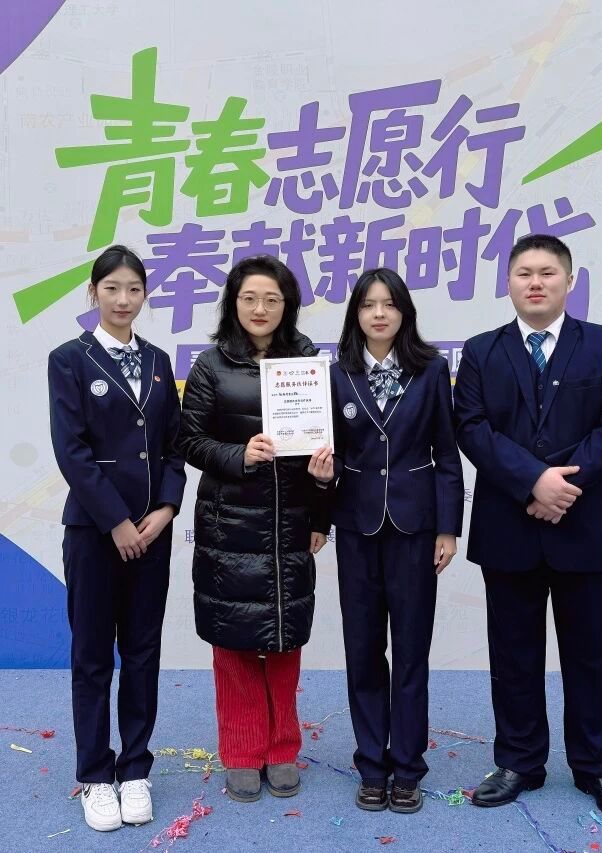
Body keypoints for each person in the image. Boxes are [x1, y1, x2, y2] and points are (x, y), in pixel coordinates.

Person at [454, 234, 602, 822]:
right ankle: (518, 761)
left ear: (569, 281)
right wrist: (533, 481)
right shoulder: (481, 351)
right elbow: (471, 427)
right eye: (524, 273)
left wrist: (561, 487)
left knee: (591, 655)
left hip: (586, 525)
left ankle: (598, 766)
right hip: (508, 526)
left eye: (547, 273)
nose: (535, 283)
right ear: (508, 282)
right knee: (513, 654)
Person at [176, 255, 332, 804]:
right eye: (249, 298)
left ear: (287, 305)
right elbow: (188, 440)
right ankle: (241, 752)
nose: (260, 308)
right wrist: (238, 454)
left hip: (291, 520)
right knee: (234, 640)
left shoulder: (309, 363)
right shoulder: (210, 364)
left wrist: (321, 509)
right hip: (229, 523)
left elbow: (327, 448)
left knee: (285, 638)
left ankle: (282, 748)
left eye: (271, 299)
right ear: (233, 303)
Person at [48, 245, 186, 832]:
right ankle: (96, 775)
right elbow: (71, 451)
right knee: (91, 656)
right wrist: (116, 521)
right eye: (112, 289)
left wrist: (166, 509)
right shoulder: (69, 360)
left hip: (153, 533)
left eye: (133, 289)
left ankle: (134, 770)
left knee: (142, 651)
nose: (123, 300)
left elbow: (175, 446)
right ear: (93, 293)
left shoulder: (158, 361)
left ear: (144, 294)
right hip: (94, 532)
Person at [319, 267, 463, 814]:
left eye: (389, 304)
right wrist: (322, 482)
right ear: (355, 314)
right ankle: (371, 766)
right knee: (362, 652)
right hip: (356, 528)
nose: (379, 314)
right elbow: (330, 458)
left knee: (410, 651)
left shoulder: (432, 370)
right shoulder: (337, 374)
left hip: (415, 528)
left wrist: (448, 527)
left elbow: (446, 453)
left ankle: (407, 766)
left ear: (404, 312)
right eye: (368, 305)